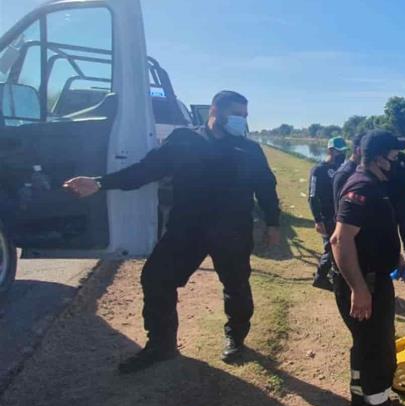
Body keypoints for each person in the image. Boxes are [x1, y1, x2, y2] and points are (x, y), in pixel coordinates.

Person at [63, 90, 280, 372]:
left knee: (236, 285)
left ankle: (236, 338)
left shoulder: (249, 149)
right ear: (214, 111)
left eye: (245, 116)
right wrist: (100, 183)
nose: (242, 121)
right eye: (237, 115)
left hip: (233, 231)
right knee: (155, 278)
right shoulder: (184, 140)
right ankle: (161, 345)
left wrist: (273, 223)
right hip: (187, 230)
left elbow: (266, 188)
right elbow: (145, 171)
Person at [330, 129, 405, 406]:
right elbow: (340, 240)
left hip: (375, 279)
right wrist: (359, 289)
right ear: (379, 157)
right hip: (367, 285)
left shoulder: (375, 185)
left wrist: (397, 256)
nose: (397, 160)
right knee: (378, 354)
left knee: (365, 347)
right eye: (394, 155)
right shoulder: (361, 187)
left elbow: (375, 231)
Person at [308, 136, 349, 290]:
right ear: (330, 150)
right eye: (339, 152)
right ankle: (320, 278)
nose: (342, 155)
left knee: (334, 246)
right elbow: (312, 196)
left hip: (339, 214)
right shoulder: (318, 170)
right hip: (326, 216)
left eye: (344, 151)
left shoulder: (342, 168)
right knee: (331, 248)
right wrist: (318, 220)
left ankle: (330, 272)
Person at [332, 133, 363, 202]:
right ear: (359, 150)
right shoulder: (343, 174)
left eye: (344, 151)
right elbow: (339, 207)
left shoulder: (362, 170)